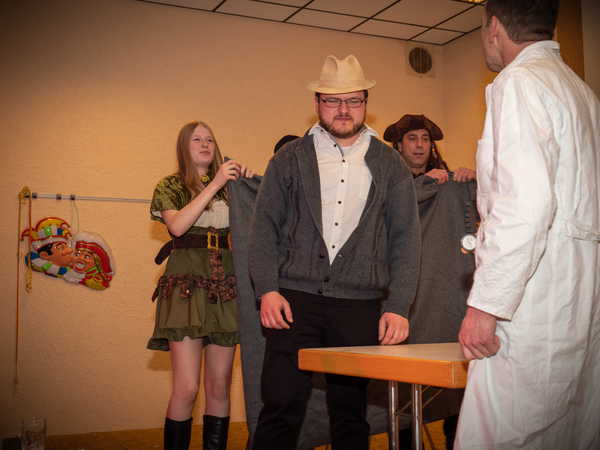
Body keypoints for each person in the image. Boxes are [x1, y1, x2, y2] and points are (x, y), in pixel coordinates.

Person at [248, 54, 421, 450]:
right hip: (293, 303)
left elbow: (406, 239)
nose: (344, 110)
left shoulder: (390, 164)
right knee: (280, 406)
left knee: (350, 414)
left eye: (354, 100)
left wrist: (398, 305)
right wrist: (268, 289)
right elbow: (263, 230)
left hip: (359, 307)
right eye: (333, 100)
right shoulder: (289, 159)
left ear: (365, 103)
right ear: (317, 103)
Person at [456, 1, 600, 449]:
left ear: (494, 26)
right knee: (570, 430)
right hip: (579, 299)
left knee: (504, 434)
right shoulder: (581, 91)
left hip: (531, 301)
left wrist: (486, 306)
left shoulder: (519, 81)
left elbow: (525, 205)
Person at [147, 121, 253, 450]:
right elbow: (177, 226)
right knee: (187, 387)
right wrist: (216, 182)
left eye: (210, 139)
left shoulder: (231, 187)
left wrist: (248, 187)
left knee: (219, 385)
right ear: (184, 146)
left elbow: (256, 227)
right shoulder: (171, 185)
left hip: (225, 285)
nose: (205, 144)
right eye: (197, 139)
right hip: (186, 286)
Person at [384, 114, 478, 450]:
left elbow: (486, 208)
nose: (420, 145)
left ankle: (456, 439)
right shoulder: (388, 179)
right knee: (405, 373)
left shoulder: (447, 184)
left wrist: (472, 181)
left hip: (444, 290)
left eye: (425, 139)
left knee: (456, 364)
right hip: (403, 293)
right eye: (412, 139)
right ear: (399, 145)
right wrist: (422, 185)